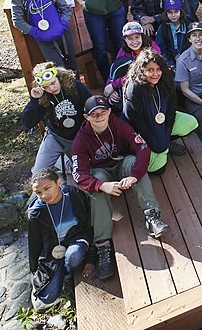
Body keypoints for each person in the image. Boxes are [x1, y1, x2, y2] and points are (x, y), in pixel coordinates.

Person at [72, 95, 171, 280]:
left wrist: (134, 176)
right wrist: (102, 185)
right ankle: (102, 244)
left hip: (121, 163)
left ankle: (152, 215)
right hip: (102, 172)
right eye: (94, 114)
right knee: (95, 185)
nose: (100, 117)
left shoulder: (118, 124)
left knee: (134, 163)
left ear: (109, 112)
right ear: (86, 117)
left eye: (103, 112)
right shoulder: (81, 140)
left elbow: (142, 148)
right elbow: (79, 174)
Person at [27, 168, 93, 312]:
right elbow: (34, 243)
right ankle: (61, 272)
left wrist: (91, 257)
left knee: (73, 257)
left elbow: (89, 224)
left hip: (76, 238)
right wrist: (34, 270)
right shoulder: (36, 212)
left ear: (59, 182)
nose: (43, 195)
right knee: (47, 296)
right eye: (38, 192)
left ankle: (68, 275)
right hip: (53, 249)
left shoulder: (74, 195)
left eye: (47, 188)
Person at [123, 49, 197, 175]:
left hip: (160, 123)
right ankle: (144, 150)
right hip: (141, 130)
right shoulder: (134, 88)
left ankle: (166, 144)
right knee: (157, 169)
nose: (155, 74)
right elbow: (136, 122)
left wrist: (165, 137)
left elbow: (171, 111)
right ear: (142, 70)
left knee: (191, 122)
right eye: (150, 70)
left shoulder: (166, 81)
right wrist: (155, 142)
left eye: (158, 69)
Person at [22, 63, 91, 177]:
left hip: (79, 136)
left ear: (59, 77)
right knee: (37, 174)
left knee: (84, 170)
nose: (52, 88)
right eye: (46, 87)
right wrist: (34, 100)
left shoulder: (75, 87)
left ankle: (64, 160)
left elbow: (90, 105)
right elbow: (27, 123)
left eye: (53, 83)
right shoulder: (42, 97)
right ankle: (59, 157)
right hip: (55, 137)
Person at [11, 0, 77, 72]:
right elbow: (17, 20)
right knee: (58, 69)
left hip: (62, 32)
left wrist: (63, 23)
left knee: (73, 66)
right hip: (43, 37)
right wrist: (35, 32)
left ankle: (77, 90)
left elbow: (65, 8)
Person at [175, 23, 202, 138]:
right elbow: (185, 90)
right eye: (194, 35)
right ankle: (192, 117)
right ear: (189, 39)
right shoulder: (183, 60)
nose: (198, 39)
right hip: (196, 98)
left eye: (201, 35)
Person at [104, 22, 161, 109]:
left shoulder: (152, 48)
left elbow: (142, 74)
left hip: (151, 81)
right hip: (132, 83)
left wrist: (114, 85)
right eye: (130, 38)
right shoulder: (123, 51)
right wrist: (110, 87)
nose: (134, 42)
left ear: (142, 36)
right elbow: (116, 69)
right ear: (125, 40)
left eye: (137, 37)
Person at [154, 0, 189, 67]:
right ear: (166, 14)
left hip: (188, 60)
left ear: (181, 11)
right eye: (170, 12)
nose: (173, 15)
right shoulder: (163, 28)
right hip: (170, 62)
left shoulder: (187, 24)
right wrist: (170, 64)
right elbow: (161, 49)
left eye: (176, 11)